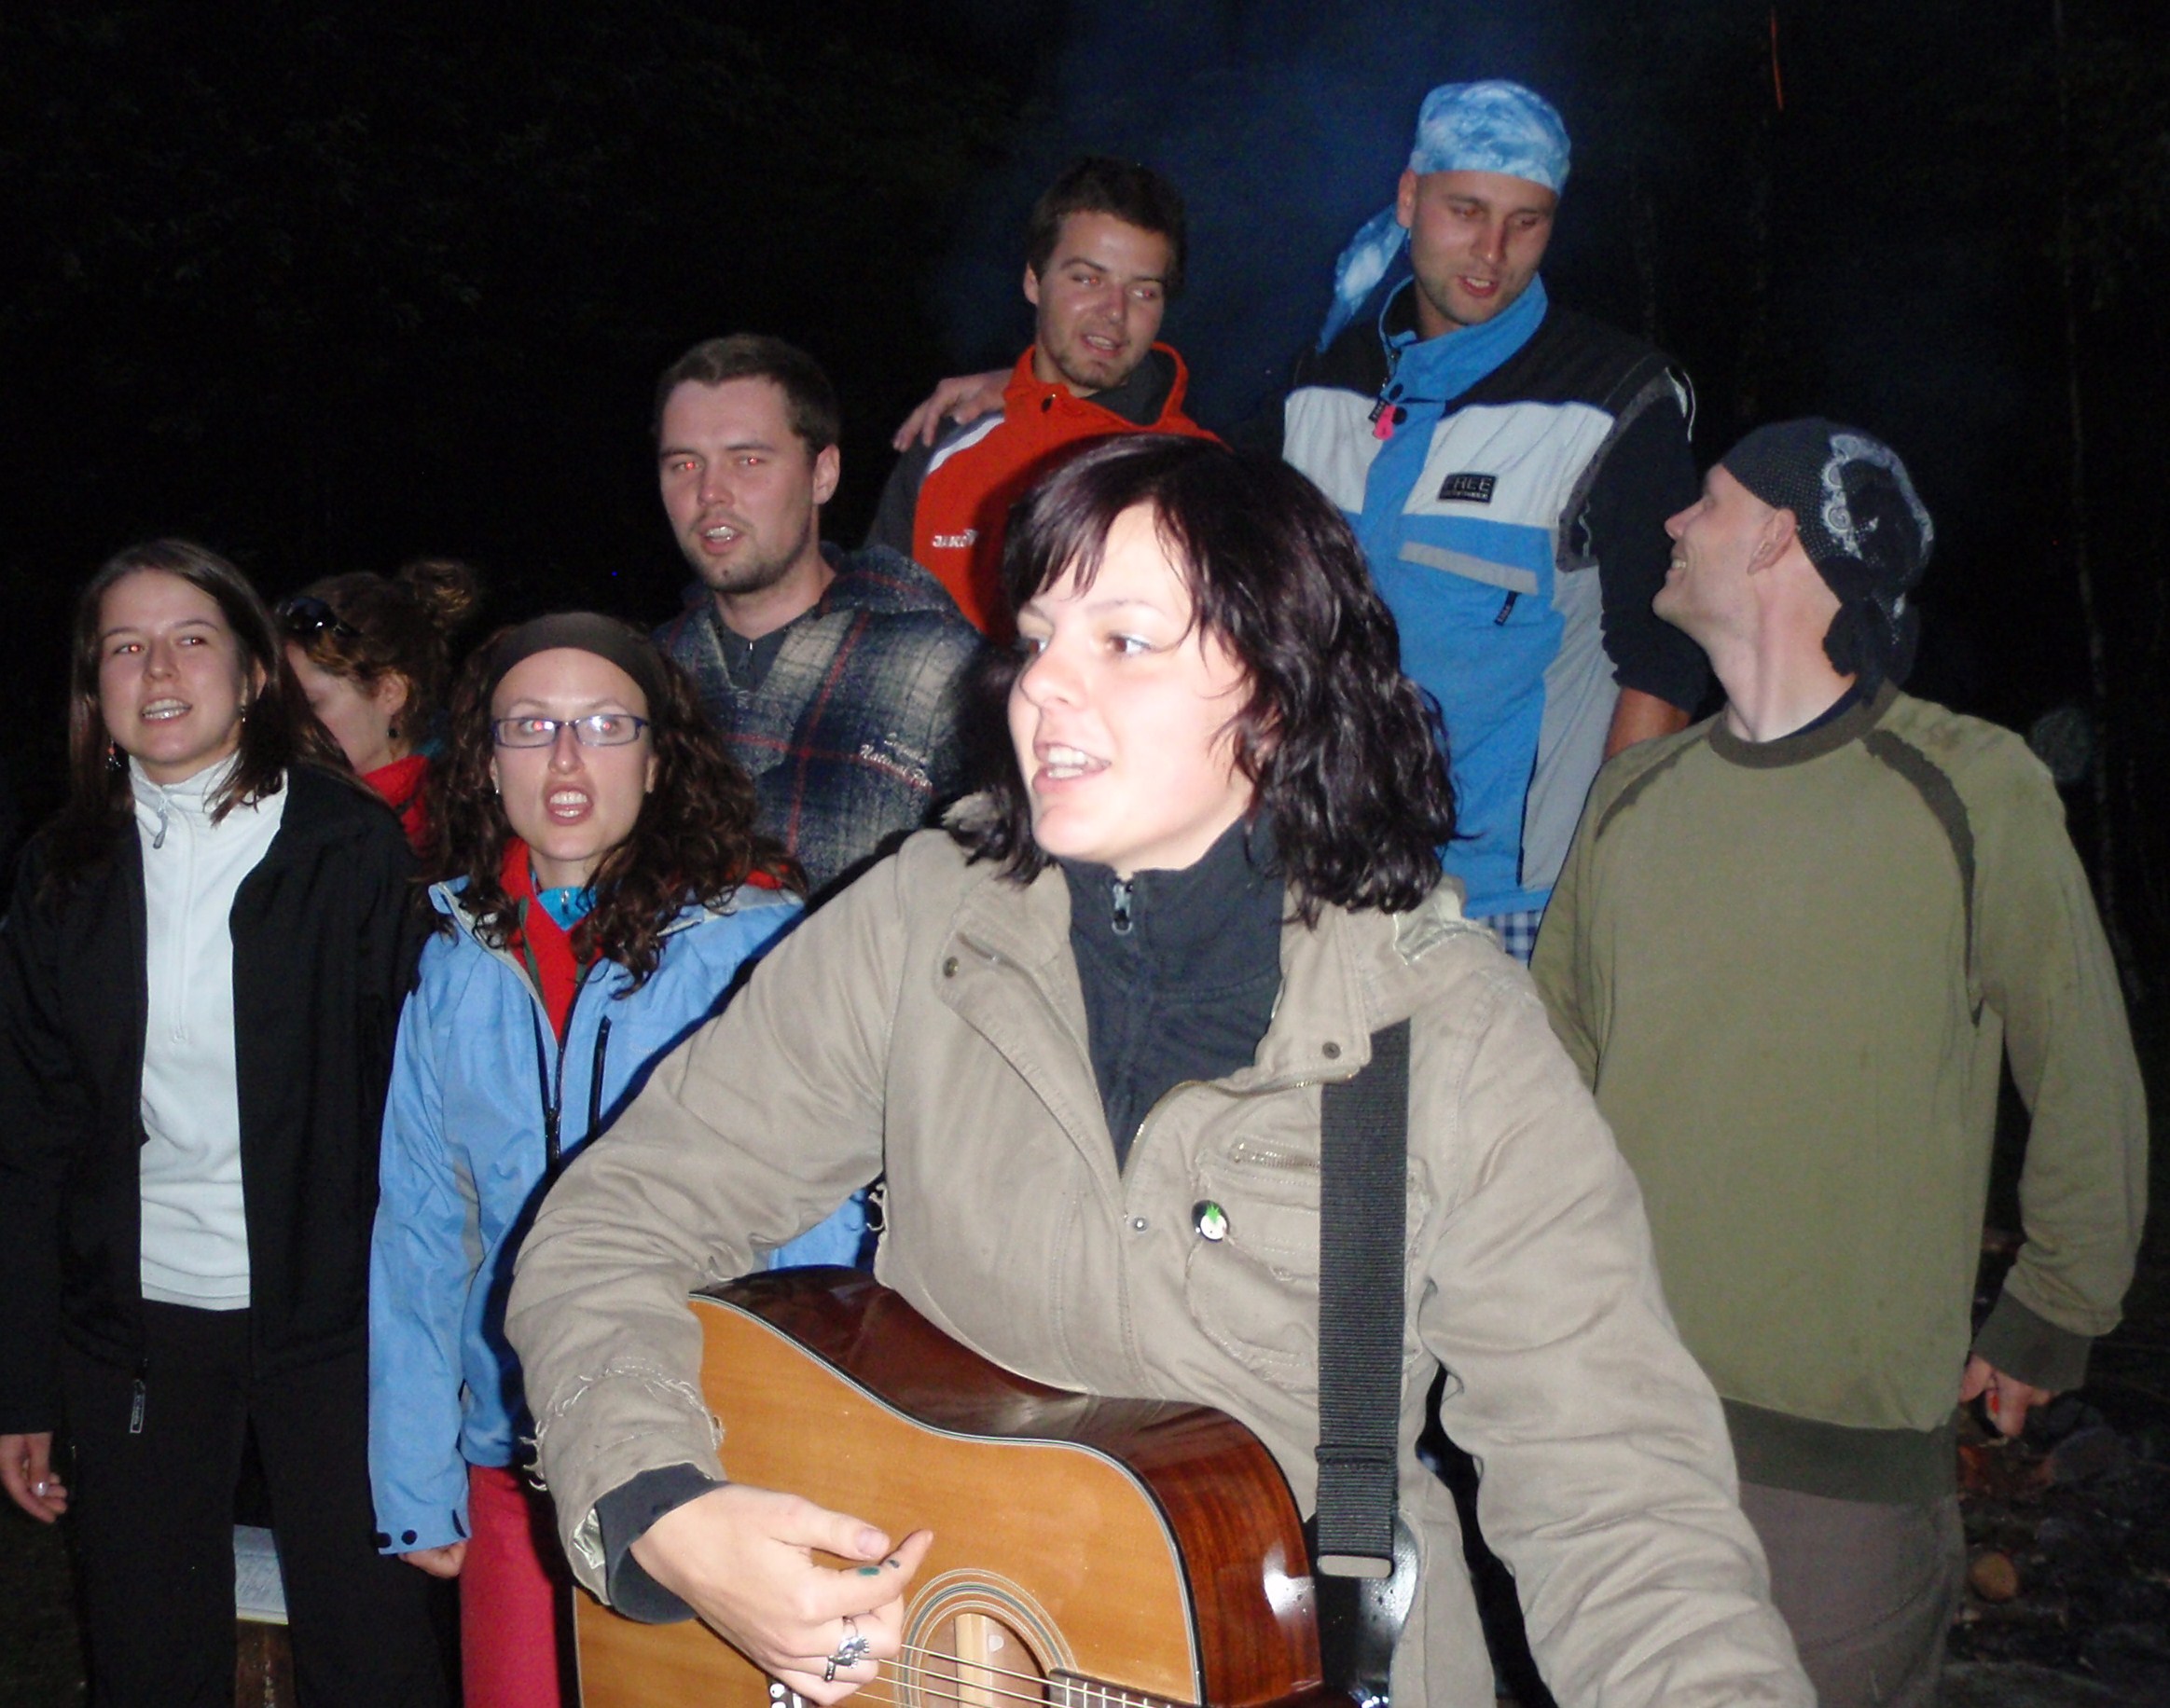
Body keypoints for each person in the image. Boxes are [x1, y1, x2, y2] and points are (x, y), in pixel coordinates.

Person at [506, 435, 1811, 1708]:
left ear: (1277, 693)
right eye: (1036, 638)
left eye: (1122, 642)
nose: (1040, 687)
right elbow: (616, 1219)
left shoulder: (1442, 1031)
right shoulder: (924, 923)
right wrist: (661, 1510)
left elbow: (1618, 1499)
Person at [1533, 420, 2149, 1707]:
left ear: (1779, 535)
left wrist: (2054, 1303)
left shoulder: (1967, 785)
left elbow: (2080, 1064)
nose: (1670, 523)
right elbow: (1545, 1081)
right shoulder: (1632, 798)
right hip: (1610, 1430)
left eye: (1705, 501)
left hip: (1835, 1476)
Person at [0, 540, 449, 1708]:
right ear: (93, 689)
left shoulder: (347, 847)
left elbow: (420, 1113)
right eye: (124, 646)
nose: (158, 669)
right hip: (136, 1328)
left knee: (374, 1651)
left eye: (191, 638)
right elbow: (30, 1142)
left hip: (335, 1323)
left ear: (253, 673)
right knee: (148, 1656)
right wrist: (23, 1388)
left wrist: (440, 1354)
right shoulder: (61, 873)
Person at [367, 613, 844, 1708]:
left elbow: (814, 1227)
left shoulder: (754, 943)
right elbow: (423, 1225)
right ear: (486, 762)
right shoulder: (459, 961)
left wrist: (806, 1444)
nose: (567, 759)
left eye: (604, 725)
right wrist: (413, 1470)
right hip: (512, 1442)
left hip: (706, 1448)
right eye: (531, 727)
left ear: (658, 755)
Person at [1265, 79, 1708, 962]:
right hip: (1315, 877)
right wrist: (1023, 389)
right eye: (1465, 211)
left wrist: (1602, 879)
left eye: (1525, 221)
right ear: (1408, 198)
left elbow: (1666, 654)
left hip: (1505, 906)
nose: (1492, 251)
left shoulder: (1612, 399)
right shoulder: (1322, 379)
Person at [651, 335, 982, 899]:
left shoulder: (936, 666)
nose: (710, 493)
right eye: (684, 464)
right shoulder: (645, 681)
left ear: (822, 474)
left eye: (748, 460)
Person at [865, 156, 1216, 638]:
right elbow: (869, 632)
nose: (1114, 312)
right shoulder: (950, 441)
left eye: (1143, 292)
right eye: (1088, 279)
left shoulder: (1199, 476)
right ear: (1034, 281)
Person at [279, 556, 484, 852]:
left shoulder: (449, 835)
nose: (289, 722)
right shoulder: (310, 802)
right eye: (283, 704)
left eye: (311, 705)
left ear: (390, 693)